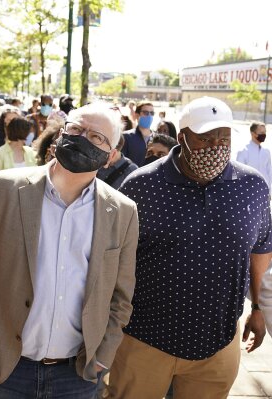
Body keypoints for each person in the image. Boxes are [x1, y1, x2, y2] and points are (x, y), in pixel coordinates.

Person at [0, 102, 139, 399]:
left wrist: (103, 356)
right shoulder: (3, 189)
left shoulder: (122, 211)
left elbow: (121, 295)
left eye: (97, 137)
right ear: (61, 135)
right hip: (6, 367)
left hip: (76, 375)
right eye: (77, 129)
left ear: (111, 157)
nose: (83, 139)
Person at [107, 97, 272, 399]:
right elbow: (113, 259)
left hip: (218, 345)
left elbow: (260, 249)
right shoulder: (141, 186)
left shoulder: (252, 187)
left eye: (222, 137)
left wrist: (259, 310)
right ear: (182, 137)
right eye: (205, 138)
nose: (215, 146)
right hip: (143, 340)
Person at [236, 122, 272, 191]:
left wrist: (269, 191)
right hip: (249, 191)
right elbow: (238, 175)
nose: (264, 135)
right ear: (253, 133)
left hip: (264, 191)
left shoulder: (266, 152)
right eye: (261, 132)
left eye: (265, 132)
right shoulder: (243, 151)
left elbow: (269, 173)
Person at [120, 101, 155, 167]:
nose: (149, 116)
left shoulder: (157, 138)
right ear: (137, 115)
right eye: (145, 113)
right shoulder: (126, 137)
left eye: (152, 113)